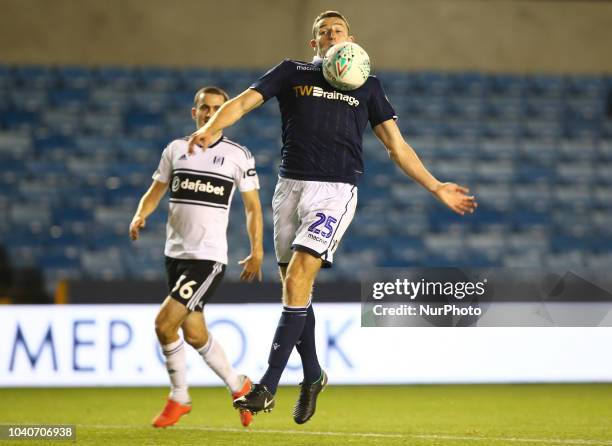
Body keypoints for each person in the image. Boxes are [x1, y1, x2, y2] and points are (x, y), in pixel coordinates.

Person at [188, 11, 478, 424]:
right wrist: (211, 128)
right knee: (294, 288)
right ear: (315, 45)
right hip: (290, 189)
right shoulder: (292, 72)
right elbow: (243, 103)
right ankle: (313, 375)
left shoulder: (368, 86)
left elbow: (397, 146)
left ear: (351, 40)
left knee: (301, 276)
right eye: (322, 31)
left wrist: (435, 186)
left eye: (337, 29)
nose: (329, 34)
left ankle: (268, 385)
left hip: (335, 192)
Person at [129, 86, 264, 428]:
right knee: (194, 334)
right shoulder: (175, 150)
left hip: (208, 258)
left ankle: (180, 397)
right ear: (195, 113)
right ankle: (241, 386)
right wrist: (140, 213)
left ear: (225, 114)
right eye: (204, 108)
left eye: (217, 108)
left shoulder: (238, 155)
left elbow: (252, 208)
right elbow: (156, 190)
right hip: (175, 254)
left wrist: (257, 249)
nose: (209, 113)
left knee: (164, 324)